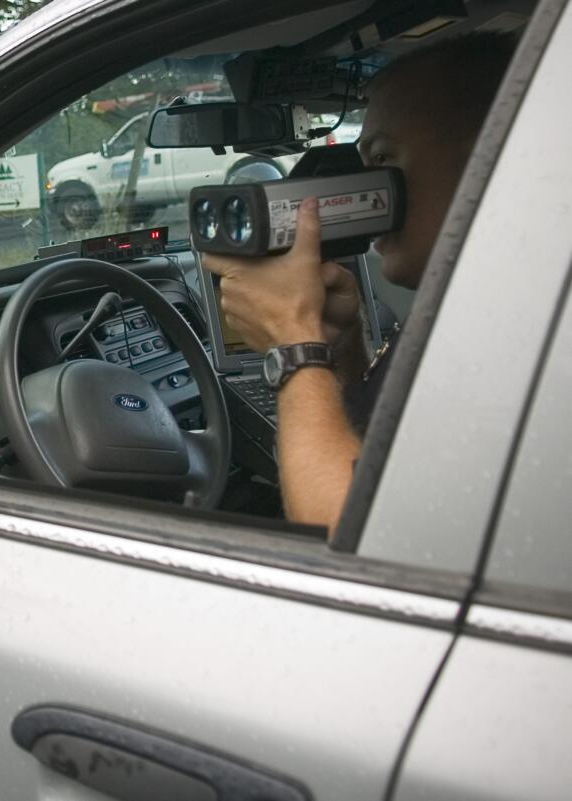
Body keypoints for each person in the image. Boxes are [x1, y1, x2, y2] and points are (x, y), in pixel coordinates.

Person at [202, 32, 516, 533]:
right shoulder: (490, 305)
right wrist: (340, 354)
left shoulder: (518, 333)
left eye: (383, 160)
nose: (361, 189)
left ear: (490, 158)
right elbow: (383, 453)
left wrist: (294, 344)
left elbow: (352, 529)